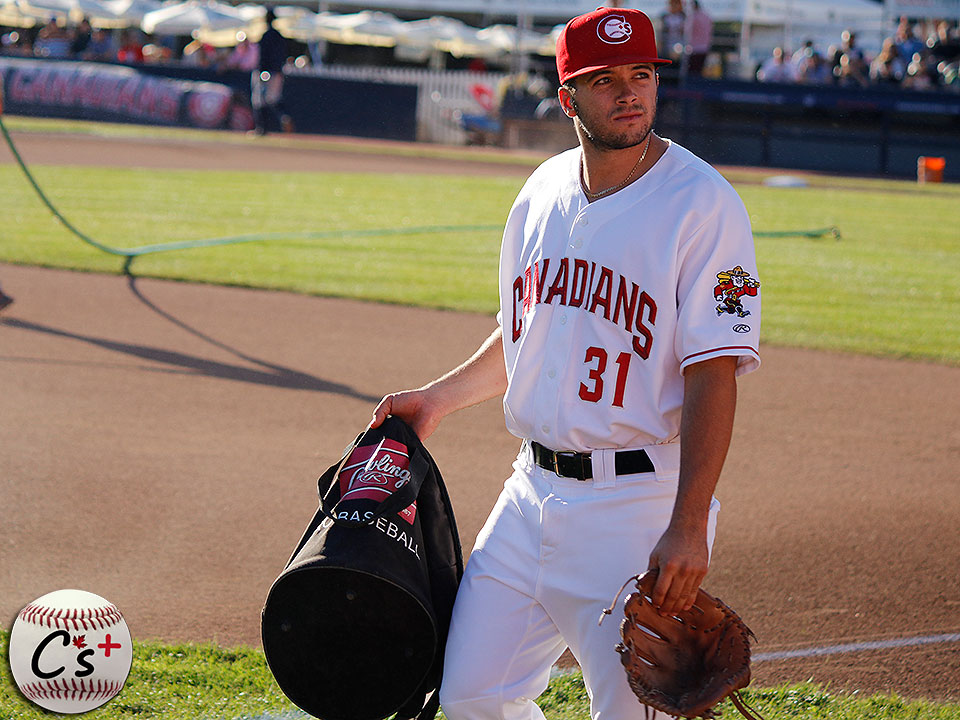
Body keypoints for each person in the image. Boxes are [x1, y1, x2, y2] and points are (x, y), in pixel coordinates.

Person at [370, 8, 761, 720]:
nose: (629, 93)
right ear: (567, 98)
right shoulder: (541, 191)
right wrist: (437, 399)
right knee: (472, 698)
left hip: (636, 511)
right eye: (605, 80)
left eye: (641, 75)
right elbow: (526, 338)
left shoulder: (703, 204)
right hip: (528, 498)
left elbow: (715, 370)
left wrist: (689, 522)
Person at [251, 7, 291, 135]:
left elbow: (264, 56)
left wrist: (264, 70)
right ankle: (284, 117)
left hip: (266, 72)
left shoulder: (267, 36)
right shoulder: (280, 36)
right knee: (273, 99)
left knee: (259, 101)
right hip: (277, 71)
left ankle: (262, 128)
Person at [685, 0, 713, 76]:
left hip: (694, 49)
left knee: (691, 73)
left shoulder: (693, 17)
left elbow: (686, 30)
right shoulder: (707, 16)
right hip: (704, 48)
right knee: (698, 72)